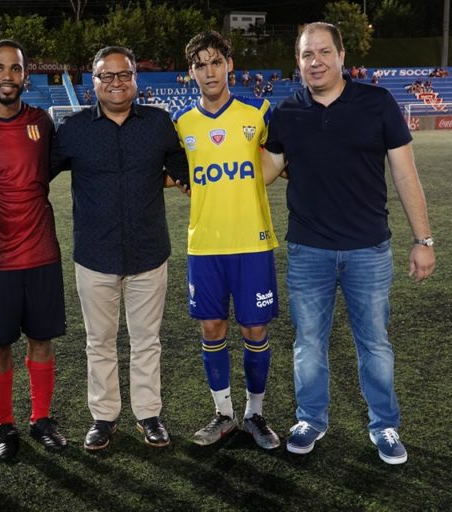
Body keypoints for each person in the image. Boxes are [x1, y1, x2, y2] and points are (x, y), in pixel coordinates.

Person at [262, 22, 436, 465]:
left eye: (323, 52)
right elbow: (262, 172)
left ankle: (385, 425)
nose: (314, 61)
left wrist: (423, 240)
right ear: (297, 61)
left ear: (342, 56)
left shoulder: (376, 103)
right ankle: (310, 419)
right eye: (306, 54)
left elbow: (404, 174)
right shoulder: (284, 113)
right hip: (308, 250)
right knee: (307, 343)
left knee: (374, 344)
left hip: (368, 250)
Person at [52, 45, 189, 451]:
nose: (116, 82)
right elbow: (33, 173)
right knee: (100, 341)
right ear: (93, 82)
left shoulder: (160, 124)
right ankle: (104, 417)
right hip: (94, 255)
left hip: (149, 252)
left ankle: (149, 414)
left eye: (123, 74)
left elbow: (186, 171)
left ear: (135, 78)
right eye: (106, 76)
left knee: (147, 340)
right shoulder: (74, 129)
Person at [172, 31, 281, 450]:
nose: (210, 70)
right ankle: (223, 414)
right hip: (205, 245)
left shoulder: (259, 111)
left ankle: (255, 414)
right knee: (212, 326)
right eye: (201, 64)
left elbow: (281, 160)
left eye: (216, 61)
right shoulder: (182, 124)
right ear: (191, 73)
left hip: (252, 242)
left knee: (255, 328)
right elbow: (176, 172)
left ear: (229, 65)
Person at [0, 39, 68, 462]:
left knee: (42, 340)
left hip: (41, 253)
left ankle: (41, 419)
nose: (8, 76)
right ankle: (5, 426)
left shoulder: (42, 123)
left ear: (26, 75)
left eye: (16, 68)